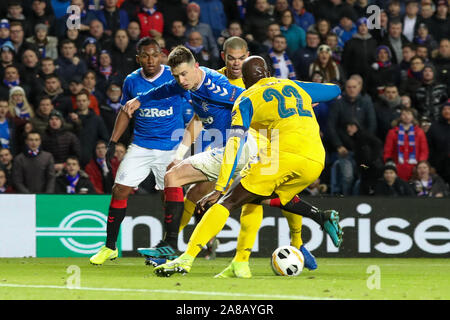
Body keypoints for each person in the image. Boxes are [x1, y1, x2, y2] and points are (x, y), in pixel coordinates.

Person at [123, 45, 343, 271]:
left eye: (183, 74)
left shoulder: (231, 91)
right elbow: (334, 89)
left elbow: (238, 114)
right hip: (309, 155)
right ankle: (303, 230)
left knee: (199, 187)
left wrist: (219, 186)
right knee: (256, 197)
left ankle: (178, 251)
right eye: (177, 75)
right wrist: (141, 99)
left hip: (252, 144)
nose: (180, 79)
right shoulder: (192, 82)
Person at [89, 38, 190, 265]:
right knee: (120, 189)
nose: (150, 59)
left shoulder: (174, 76)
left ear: (162, 56)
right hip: (141, 145)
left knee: (170, 196)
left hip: (171, 147)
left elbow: (190, 104)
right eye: (145, 55)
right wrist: (113, 141)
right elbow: (126, 111)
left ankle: (167, 248)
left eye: (154, 54)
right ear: (138, 58)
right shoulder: (132, 80)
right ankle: (110, 247)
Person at [383, 107, 429, 182]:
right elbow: (388, 151)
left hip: (414, 168)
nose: (406, 116)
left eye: (408, 114)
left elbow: (424, 151)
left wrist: (420, 166)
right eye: (403, 114)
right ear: (400, 117)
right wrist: (390, 165)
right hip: (397, 167)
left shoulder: (419, 132)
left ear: (413, 116)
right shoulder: (392, 132)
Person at [41, 109, 81, 174]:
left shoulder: (70, 136)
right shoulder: (43, 137)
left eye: (57, 119)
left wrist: (64, 165)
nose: (54, 121)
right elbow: (41, 156)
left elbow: (77, 155)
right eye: (51, 119)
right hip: (48, 170)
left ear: (61, 121)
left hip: (67, 170)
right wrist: (51, 166)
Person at [426, 101, 450, 185]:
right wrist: (430, 165)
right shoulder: (435, 127)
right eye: (444, 109)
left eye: (449, 109)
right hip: (439, 166)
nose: (447, 111)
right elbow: (429, 147)